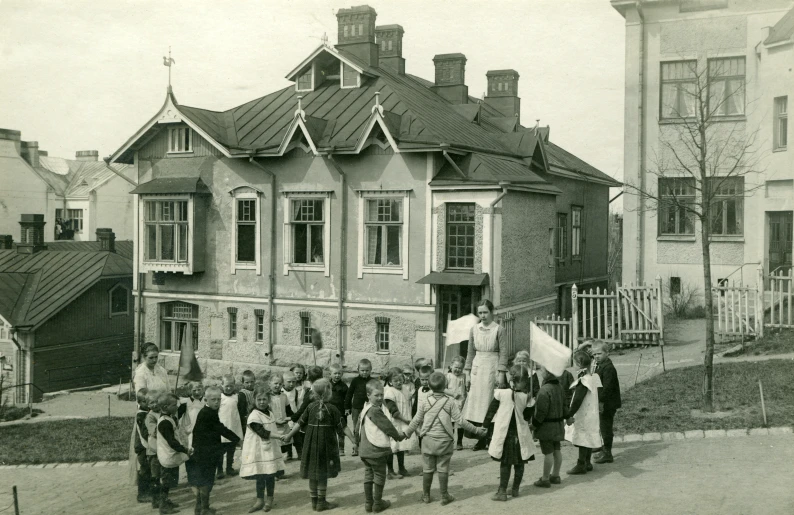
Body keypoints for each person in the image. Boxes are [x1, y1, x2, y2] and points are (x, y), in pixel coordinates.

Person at [404, 372, 486, 505]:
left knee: (427, 469)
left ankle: (426, 495)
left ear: (430, 386)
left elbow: (415, 420)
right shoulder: (450, 402)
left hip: (427, 441)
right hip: (444, 441)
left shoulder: (425, 402)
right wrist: (477, 430)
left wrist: (406, 433)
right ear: (445, 386)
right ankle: (444, 495)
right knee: (443, 469)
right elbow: (461, 421)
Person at [281, 379, 356, 512]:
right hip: (327, 446)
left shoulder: (310, 407)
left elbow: (299, 423)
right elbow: (343, 427)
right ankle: (321, 502)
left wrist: (288, 436)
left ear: (314, 393)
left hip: (311, 445)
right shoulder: (332, 408)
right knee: (322, 473)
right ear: (329, 393)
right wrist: (354, 441)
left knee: (313, 473)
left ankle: (314, 502)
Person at [483, 364, 536, 501]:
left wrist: (485, 425)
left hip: (506, 435)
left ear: (510, 380)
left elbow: (491, 410)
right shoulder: (526, 397)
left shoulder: (502, 393)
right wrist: (530, 402)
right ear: (524, 382)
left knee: (505, 463)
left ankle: (502, 491)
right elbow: (527, 417)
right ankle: (515, 489)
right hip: (520, 436)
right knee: (520, 462)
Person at [186, 385, 241, 515]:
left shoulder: (208, 412)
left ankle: (199, 508)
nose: (216, 402)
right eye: (213, 399)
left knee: (204, 481)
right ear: (206, 400)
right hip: (205, 454)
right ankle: (204, 509)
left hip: (204, 453)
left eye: (218, 399)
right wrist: (237, 439)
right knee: (207, 482)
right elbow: (221, 429)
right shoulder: (208, 414)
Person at [464, 300, 509, 451]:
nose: (482, 316)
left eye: (485, 312)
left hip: (492, 367)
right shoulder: (474, 329)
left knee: (490, 403)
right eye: (480, 313)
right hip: (478, 367)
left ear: (492, 312)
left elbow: (504, 353)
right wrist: (467, 372)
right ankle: (480, 439)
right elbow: (470, 352)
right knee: (477, 404)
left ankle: (491, 438)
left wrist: (501, 373)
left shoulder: (499, 329)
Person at [356, 379, 406, 513]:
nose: (379, 398)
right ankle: (377, 503)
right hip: (375, 450)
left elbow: (357, 427)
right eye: (376, 395)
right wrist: (398, 436)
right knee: (379, 475)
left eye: (381, 395)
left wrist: (357, 444)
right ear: (368, 395)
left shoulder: (365, 409)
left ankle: (368, 503)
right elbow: (387, 426)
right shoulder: (375, 411)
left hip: (365, 450)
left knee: (368, 474)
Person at [241, 383, 286, 513]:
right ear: (254, 400)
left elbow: (271, 427)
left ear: (268, 400)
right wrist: (280, 436)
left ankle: (269, 499)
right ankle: (260, 500)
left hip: (269, 449)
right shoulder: (253, 416)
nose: (261, 402)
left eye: (264, 399)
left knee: (270, 475)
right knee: (260, 475)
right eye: (259, 399)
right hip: (258, 451)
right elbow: (263, 432)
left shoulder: (269, 413)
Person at [565, 350, 603, 475]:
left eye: (574, 363)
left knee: (582, 437)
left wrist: (569, 414)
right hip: (592, 412)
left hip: (584, 414)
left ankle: (581, 464)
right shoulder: (593, 377)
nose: (573, 366)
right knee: (589, 436)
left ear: (579, 364)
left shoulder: (583, 381)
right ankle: (587, 462)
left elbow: (577, 400)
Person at [530, 365, 566, 488]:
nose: (540, 372)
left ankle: (545, 478)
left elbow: (541, 412)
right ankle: (555, 475)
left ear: (547, 373)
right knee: (557, 450)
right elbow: (564, 405)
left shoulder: (544, 390)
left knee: (548, 453)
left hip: (546, 427)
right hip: (558, 425)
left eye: (542, 370)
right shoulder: (559, 387)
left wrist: (534, 425)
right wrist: (567, 416)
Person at [156, 392, 191, 515]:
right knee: (165, 481)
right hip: (168, 455)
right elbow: (172, 442)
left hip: (170, 453)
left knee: (168, 480)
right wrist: (184, 449)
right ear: (165, 407)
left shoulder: (169, 416)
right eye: (174, 405)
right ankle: (163, 505)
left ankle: (165, 501)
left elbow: (181, 409)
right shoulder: (164, 422)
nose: (177, 406)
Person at [383, 368, 416, 479]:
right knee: (392, 447)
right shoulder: (389, 392)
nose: (399, 382)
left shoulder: (405, 390)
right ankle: (390, 471)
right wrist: (406, 420)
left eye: (400, 379)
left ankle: (401, 468)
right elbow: (393, 411)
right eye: (395, 380)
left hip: (403, 422)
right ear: (390, 381)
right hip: (394, 422)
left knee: (401, 446)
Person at [593, 341, 621, 464]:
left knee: (606, 427)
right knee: (602, 426)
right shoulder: (600, 365)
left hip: (608, 403)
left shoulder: (608, 368)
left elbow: (607, 388)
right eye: (594, 354)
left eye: (599, 353)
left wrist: (601, 401)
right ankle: (603, 448)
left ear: (607, 353)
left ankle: (608, 453)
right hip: (603, 401)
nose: (596, 356)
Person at [217, 374, 247, 478]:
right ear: (222, 385)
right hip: (222, 429)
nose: (229, 388)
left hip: (233, 427)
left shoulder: (237, 397)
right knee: (220, 451)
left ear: (234, 385)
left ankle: (229, 468)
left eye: (231, 386)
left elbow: (240, 411)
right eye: (226, 386)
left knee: (231, 450)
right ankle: (219, 470)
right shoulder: (220, 397)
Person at [344, 359, 373, 456]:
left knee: (369, 427)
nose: (364, 372)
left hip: (369, 408)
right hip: (356, 408)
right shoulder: (355, 381)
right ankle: (355, 447)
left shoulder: (373, 381)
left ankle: (368, 447)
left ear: (370, 370)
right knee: (357, 428)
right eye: (362, 370)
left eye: (367, 370)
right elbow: (349, 394)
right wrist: (347, 407)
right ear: (358, 370)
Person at [132, 388, 152, 504]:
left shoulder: (147, 412)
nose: (148, 404)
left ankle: (149, 491)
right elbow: (144, 434)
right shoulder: (141, 415)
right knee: (145, 469)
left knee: (149, 469)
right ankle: (142, 494)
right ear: (139, 402)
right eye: (145, 401)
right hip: (144, 447)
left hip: (147, 446)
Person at [268, 373, 292, 467]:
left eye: (280, 384)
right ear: (269, 383)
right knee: (275, 444)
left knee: (285, 440)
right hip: (273, 424)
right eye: (275, 383)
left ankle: (285, 457)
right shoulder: (268, 397)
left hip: (283, 423)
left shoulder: (284, 396)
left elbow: (288, 410)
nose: (278, 386)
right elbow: (266, 412)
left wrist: (289, 418)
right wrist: (275, 420)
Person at [145, 389, 163, 510]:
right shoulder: (150, 417)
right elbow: (155, 431)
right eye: (152, 402)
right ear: (148, 405)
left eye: (156, 401)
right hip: (154, 450)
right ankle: (155, 500)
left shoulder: (162, 412)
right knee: (155, 476)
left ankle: (164, 499)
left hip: (163, 450)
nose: (155, 404)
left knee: (164, 475)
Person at [444, 357, 467, 450]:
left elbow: (466, 388)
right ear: (451, 366)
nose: (458, 370)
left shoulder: (464, 376)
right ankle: (450, 441)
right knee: (451, 424)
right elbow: (443, 389)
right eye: (456, 367)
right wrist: (452, 394)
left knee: (460, 423)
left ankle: (459, 442)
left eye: (460, 368)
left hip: (461, 403)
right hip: (451, 402)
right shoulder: (447, 376)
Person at [328, 363, 349, 456]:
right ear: (330, 374)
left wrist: (348, 408)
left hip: (340, 412)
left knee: (341, 431)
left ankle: (341, 449)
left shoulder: (344, 386)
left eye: (339, 373)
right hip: (329, 412)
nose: (337, 375)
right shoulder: (327, 385)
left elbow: (347, 399)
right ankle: (331, 449)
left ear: (342, 374)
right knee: (330, 431)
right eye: (335, 373)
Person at [178, 381, 205, 448]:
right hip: (189, 429)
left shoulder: (205, 401)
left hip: (202, 429)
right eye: (194, 390)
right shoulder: (185, 402)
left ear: (203, 390)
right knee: (189, 447)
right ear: (190, 391)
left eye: (199, 390)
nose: (197, 392)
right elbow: (178, 414)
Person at [282, 371, 299, 461]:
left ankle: (300, 453)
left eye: (293, 382)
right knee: (286, 434)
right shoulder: (281, 392)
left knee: (296, 435)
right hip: (285, 416)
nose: (292, 384)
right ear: (283, 382)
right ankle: (289, 453)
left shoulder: (295, 391)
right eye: (289, 382)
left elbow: (296, 403)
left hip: (293, 416)